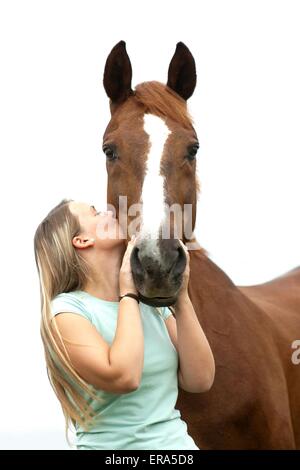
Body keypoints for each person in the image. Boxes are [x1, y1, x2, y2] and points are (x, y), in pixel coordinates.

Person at [34, 198, 215, 450]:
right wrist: (128, 294)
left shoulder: (152, 306)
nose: (110, 211)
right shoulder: (66, 311)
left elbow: (201, 379)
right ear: (82, 240)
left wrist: (181, 297)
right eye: (95, 213)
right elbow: (125, 377)